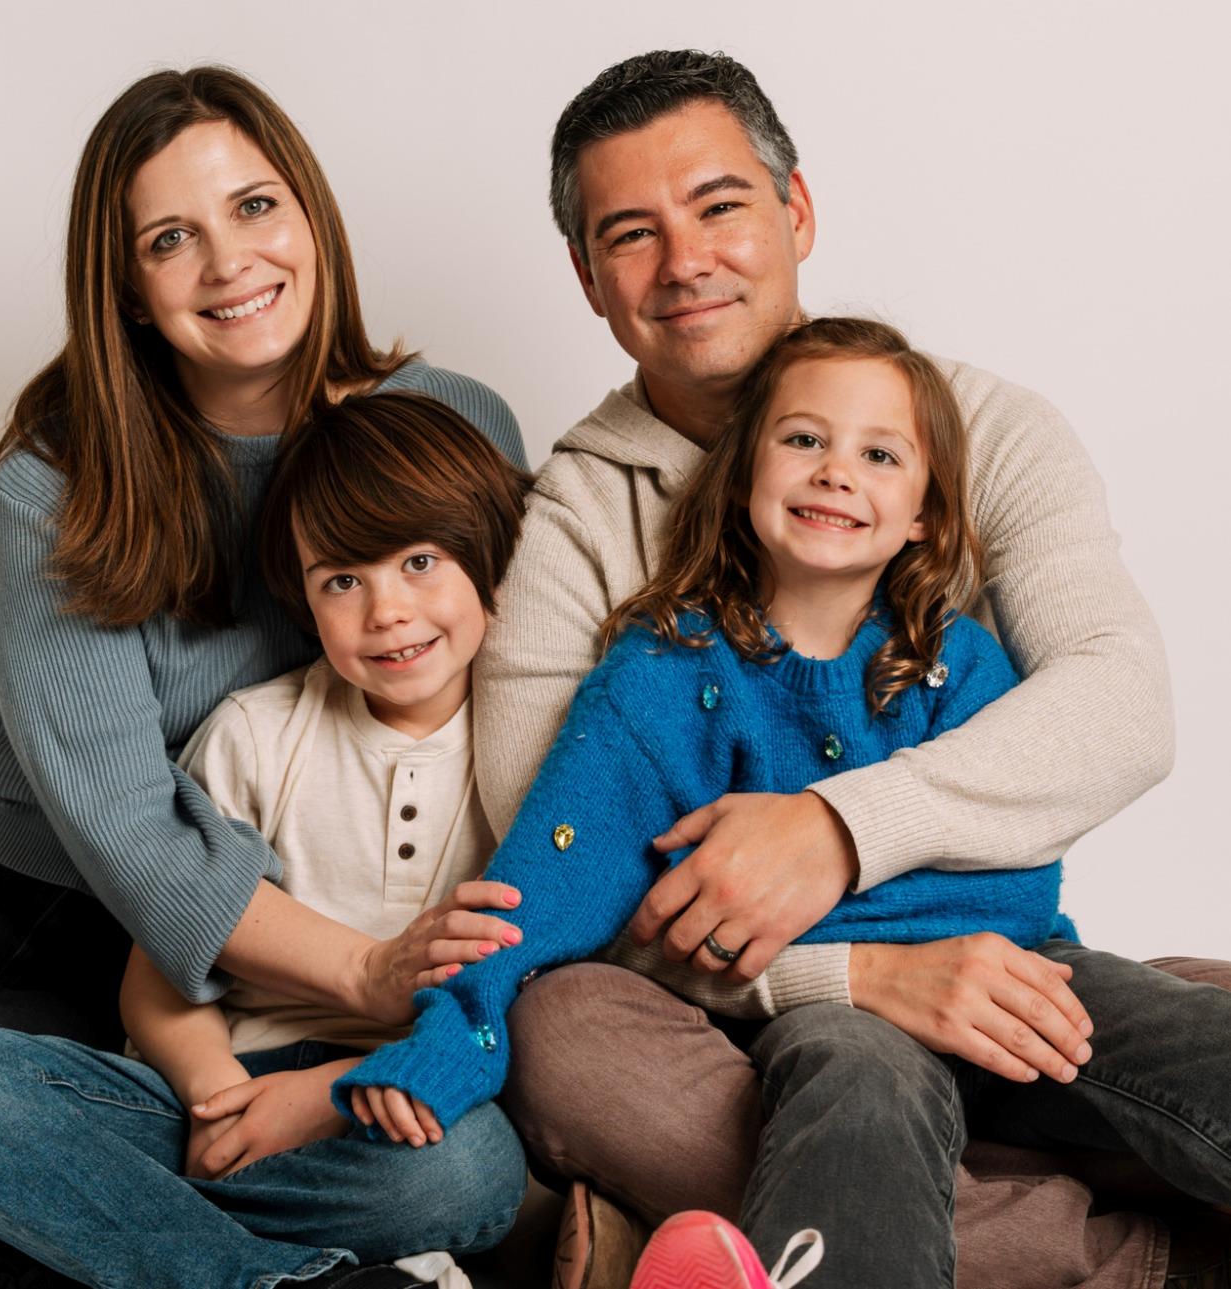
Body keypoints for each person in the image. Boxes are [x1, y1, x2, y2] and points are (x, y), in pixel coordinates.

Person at [469, 49, 1228, 1289]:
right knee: (558, 1031)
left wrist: (838, 829)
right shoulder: (577, 512)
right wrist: (856, 974)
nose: (686, 261)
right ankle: (1130, 1251)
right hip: (750, 1020)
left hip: (995, 960)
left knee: (1155, 1020)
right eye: (631, 233)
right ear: (588, 277)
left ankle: (729, 1237)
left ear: (796, 211)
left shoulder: (982, 429)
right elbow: (550, 866)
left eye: (718, 206)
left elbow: (1121, 704)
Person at [0, 65, 528, 1278]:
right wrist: (368, 970)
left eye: (255, 207)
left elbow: (521, 686)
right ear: (125, 285)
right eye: (171, 238)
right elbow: (125, 823)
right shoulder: (55, 479)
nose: (229, 263)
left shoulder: (448, 424)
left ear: (312, 215)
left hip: (147, 948)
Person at [336, 318, 1231, 1286]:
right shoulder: (661, 675)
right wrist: (447, 1037)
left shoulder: (955, 662)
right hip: (835, 1022)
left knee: (1189, 1034)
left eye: (879, 454)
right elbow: (556, 879)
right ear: (739, 476)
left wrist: (819, 889)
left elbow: (1015, 883)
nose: (836, 471)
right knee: (851, 1096)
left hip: (1009, 985)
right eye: (804, 439)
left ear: (924, 514)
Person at [0, 393, 533, 1289]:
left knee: (471, 1165)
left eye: (420, 562)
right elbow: (154, 987)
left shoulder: (534, 747)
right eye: (342, 580)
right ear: (302, 598)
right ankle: (290, 1279)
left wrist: (331, 1093)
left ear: (491, 561)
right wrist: (220, 1100)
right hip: (216, 1093)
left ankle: (74, 1241)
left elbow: (529, 999)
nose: (386, 610)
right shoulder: (255, 734)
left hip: (389, 1103)